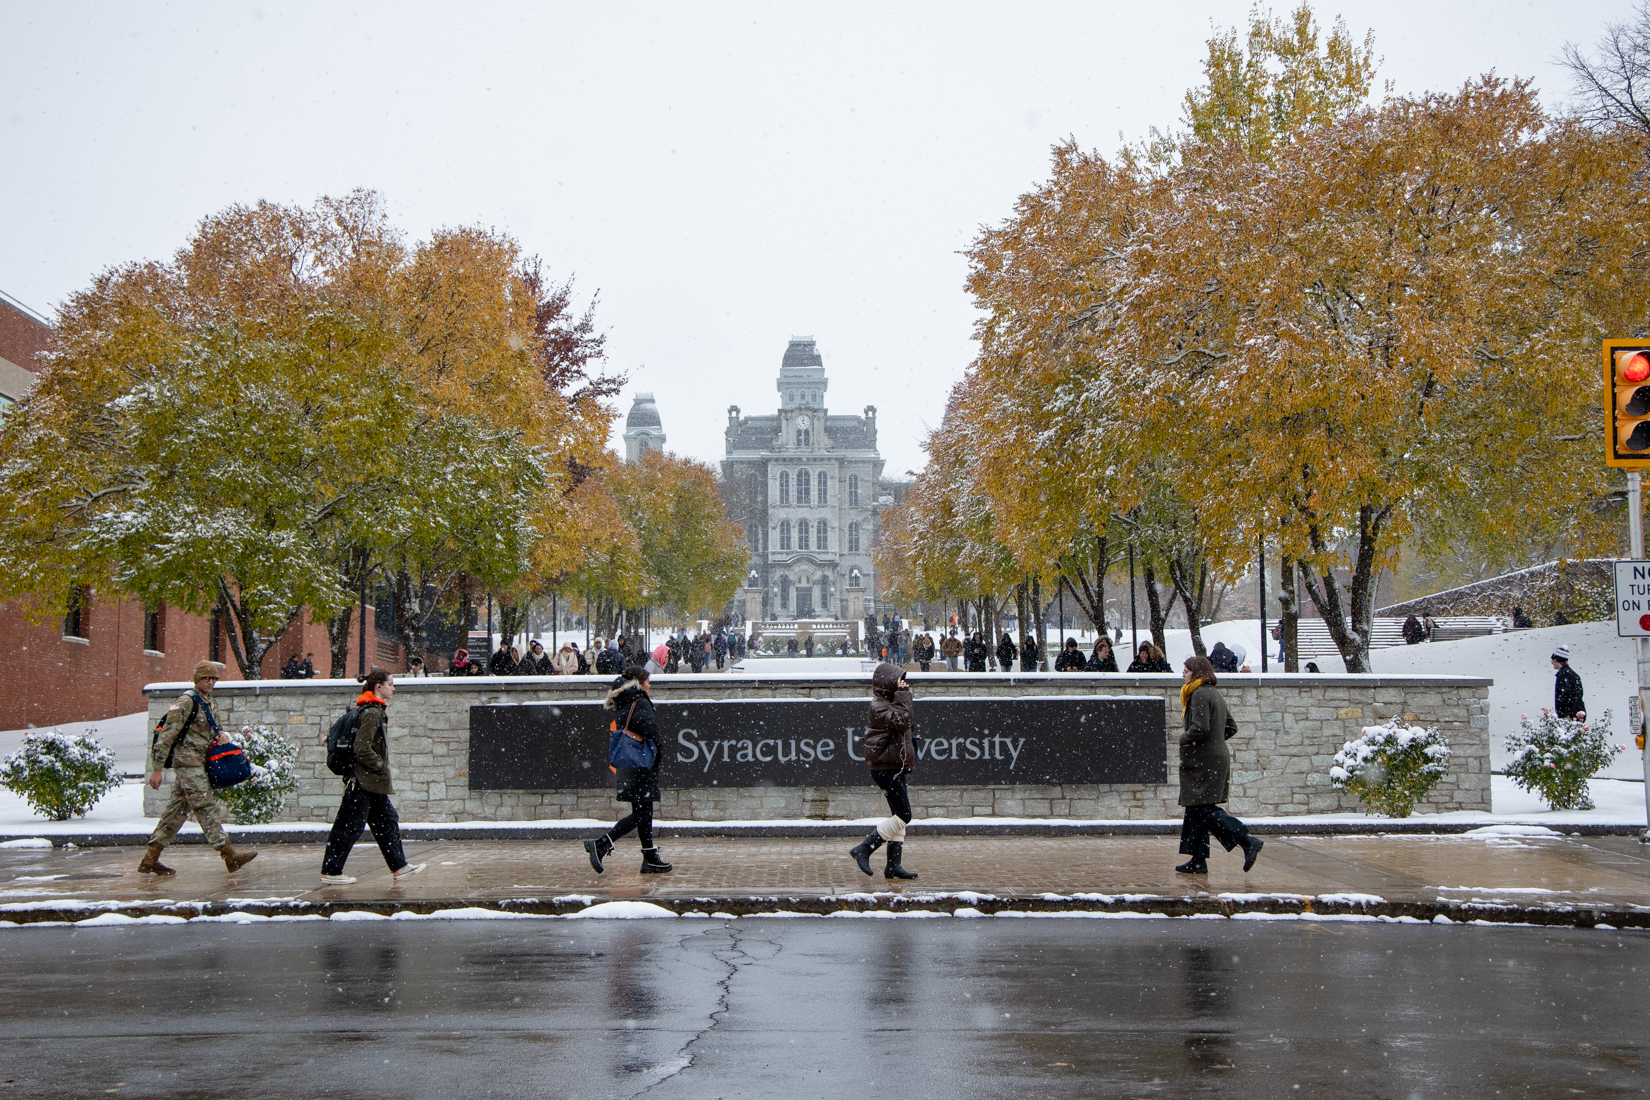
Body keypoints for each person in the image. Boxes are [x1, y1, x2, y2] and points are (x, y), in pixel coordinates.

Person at [138, 660, 258, 876]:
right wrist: (157, 769)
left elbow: (212, 730)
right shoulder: (185, 702)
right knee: (205, 806)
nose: (211, 682)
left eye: (214, 678)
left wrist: (222, 736)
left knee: (175, 813)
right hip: (187, 763)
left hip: (200, 763)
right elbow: (166, 736)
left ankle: (150, 860)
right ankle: (229, 855)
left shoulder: (210, 702)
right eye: (206, 678)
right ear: (197, 680)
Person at [319, 668, 426, 885]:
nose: (393, 688)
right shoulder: (372, 712)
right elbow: (361, 747)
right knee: (349, 826)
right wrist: (379, 765)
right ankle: (331, 871)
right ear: (379, 687)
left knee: (387, 822)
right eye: (390, 684)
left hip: (371, 783)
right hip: (363, 781)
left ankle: (400, 867)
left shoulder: (369, 709)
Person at [1175, 654, 1262, 876]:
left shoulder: (1199, 694)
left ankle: (1246, 840)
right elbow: (1231, 727)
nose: (1183, 674)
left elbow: (1200, 729)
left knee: (1203, 808)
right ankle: (1197, 861)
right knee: (1196, 808)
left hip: (1203, 760)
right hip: (1212, 757)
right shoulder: (1213, 693)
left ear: (1196, 672)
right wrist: (1215, 742)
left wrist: (1183, 739)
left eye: (1186, 670)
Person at [584, 665, 672, 874]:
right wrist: (659, 748)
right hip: (641, 764)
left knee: (642, 811)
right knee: (642, 814)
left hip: (628, 764)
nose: (650, 685)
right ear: (639, 683)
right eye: (648, 681)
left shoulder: (624, 702)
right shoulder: (640, 702)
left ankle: (650, 858)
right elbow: (651, 730)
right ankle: (601, 844)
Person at [847, 662, 919, 880]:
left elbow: (909, 724)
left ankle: (893, 866)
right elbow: (902, 722)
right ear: (888, 682)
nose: (903, 684)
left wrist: (902, 698)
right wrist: (904, 696)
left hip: (895, 767)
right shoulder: (878, 705)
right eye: (899, 680)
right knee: (905, 815)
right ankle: (865, 848)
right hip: (886, 768)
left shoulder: (892, 702)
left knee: (898, 815)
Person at [1552, 645, 1585, 720]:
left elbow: (1564, 697)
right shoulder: (1573, 674)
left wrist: (1563, 715)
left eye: (1552, 661)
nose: (1552, 663)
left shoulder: (1563, 676)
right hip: (1577, 713)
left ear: (1557, 660)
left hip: (1569, 716)